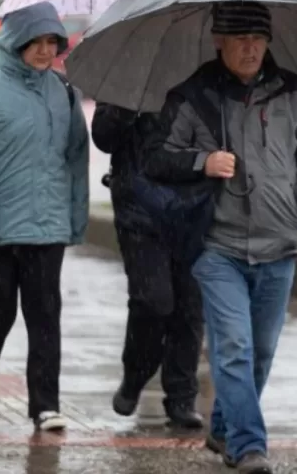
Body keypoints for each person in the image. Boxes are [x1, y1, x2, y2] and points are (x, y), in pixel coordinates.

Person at [144, 1, 297, 474]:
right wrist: (201, 163)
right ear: (218, 41)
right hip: (216, 246)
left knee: (262, 353)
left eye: (258, 39)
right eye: (240, 39)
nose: (251, 49)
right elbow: (155, 157)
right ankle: (249, 447)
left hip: (279, 245)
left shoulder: (293, 91)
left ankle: (225, 428)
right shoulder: (194, 96)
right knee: (233, 347)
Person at [0, 1, 90, 431]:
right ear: (16, 41)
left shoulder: (64, 93)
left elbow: (76, 159)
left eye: (53, 42)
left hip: (46, 228)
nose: (46, 51)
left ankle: (45, 404)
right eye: (38, 42)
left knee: (45, 314)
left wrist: (74, 217)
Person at [91, 104, 205, 429]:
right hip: (139, 211)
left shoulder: (203, 76)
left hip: (192, 208)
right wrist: (127, 110)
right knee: (153, 301)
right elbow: (103, 137)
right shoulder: (131, 76)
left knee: (189, 306)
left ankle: (182, 397)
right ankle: (135, 375)